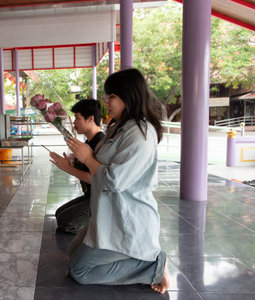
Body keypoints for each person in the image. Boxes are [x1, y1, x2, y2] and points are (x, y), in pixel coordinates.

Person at [65, 69, 170, 294]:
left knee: (79, 271)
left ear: (128, 95)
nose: (107, 102)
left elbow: (114, 180)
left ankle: (152, 266)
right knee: (73, 251)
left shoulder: (140, 134)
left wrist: (88, 158)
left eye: (111, 96)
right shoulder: (119, 126)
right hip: (108, 215)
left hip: (126, 219)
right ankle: (141, 259)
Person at [49, 99, 105, 234]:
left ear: (90, 119)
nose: (74, 123)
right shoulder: (89, 141)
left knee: (66, 223)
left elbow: (95, 178)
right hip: (91, 195)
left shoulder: (101, 144)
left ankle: (104, 223)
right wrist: (70, 163)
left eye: (77, 118)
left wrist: (68, 168)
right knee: (59, 214)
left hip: (102, 198)